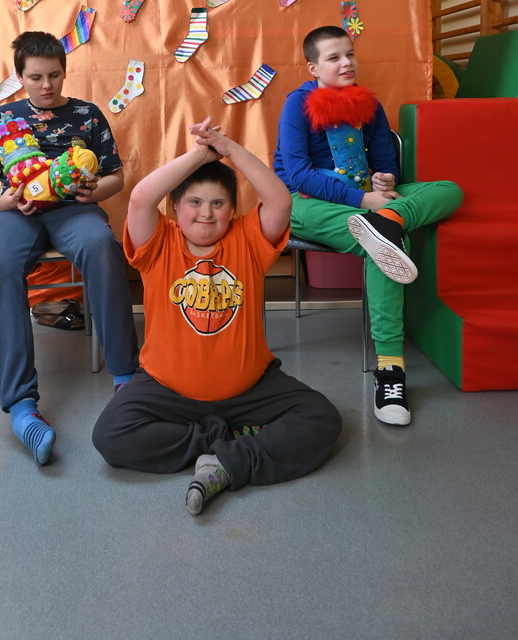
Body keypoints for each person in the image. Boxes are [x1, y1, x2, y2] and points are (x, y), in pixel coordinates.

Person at [92, 117, 341, 516]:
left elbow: (280, 201)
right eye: (194, 202)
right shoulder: (159, 242)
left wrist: (230, 150)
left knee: (322, 419)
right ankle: (220, 440)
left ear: (232, 210)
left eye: (218, 203)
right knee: (110, 435)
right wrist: (197, 155)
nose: (206, 213)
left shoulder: (248, 239)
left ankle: (226, 462)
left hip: (250, 391)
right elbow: (139, 199)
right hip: (168, 391)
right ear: (175, 208)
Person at [274, 25, 463, 426]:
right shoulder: (297, 104)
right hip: (307, 202)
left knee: (450, 190)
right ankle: (390, 368)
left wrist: (385, 183)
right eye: (334, 58)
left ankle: (390, 220)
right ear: (313, 68)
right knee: (385, 247)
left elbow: (385, 161)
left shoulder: (370, 105)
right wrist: (363, 201)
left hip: (370, 201)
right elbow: (299, 174)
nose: (346, 63)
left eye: (350, 54)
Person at [0, 31, 138, 465]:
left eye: (54, 75)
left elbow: (117, 177)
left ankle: (126, 376)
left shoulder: (87, 114)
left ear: (65, 71)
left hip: (72, 209)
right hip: (16, 211)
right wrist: (1, 203)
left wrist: (94, 191)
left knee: (102, 246)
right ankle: (21, 407)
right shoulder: (3, 117)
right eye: (36, 77)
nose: (46, 85)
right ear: (19, 76)